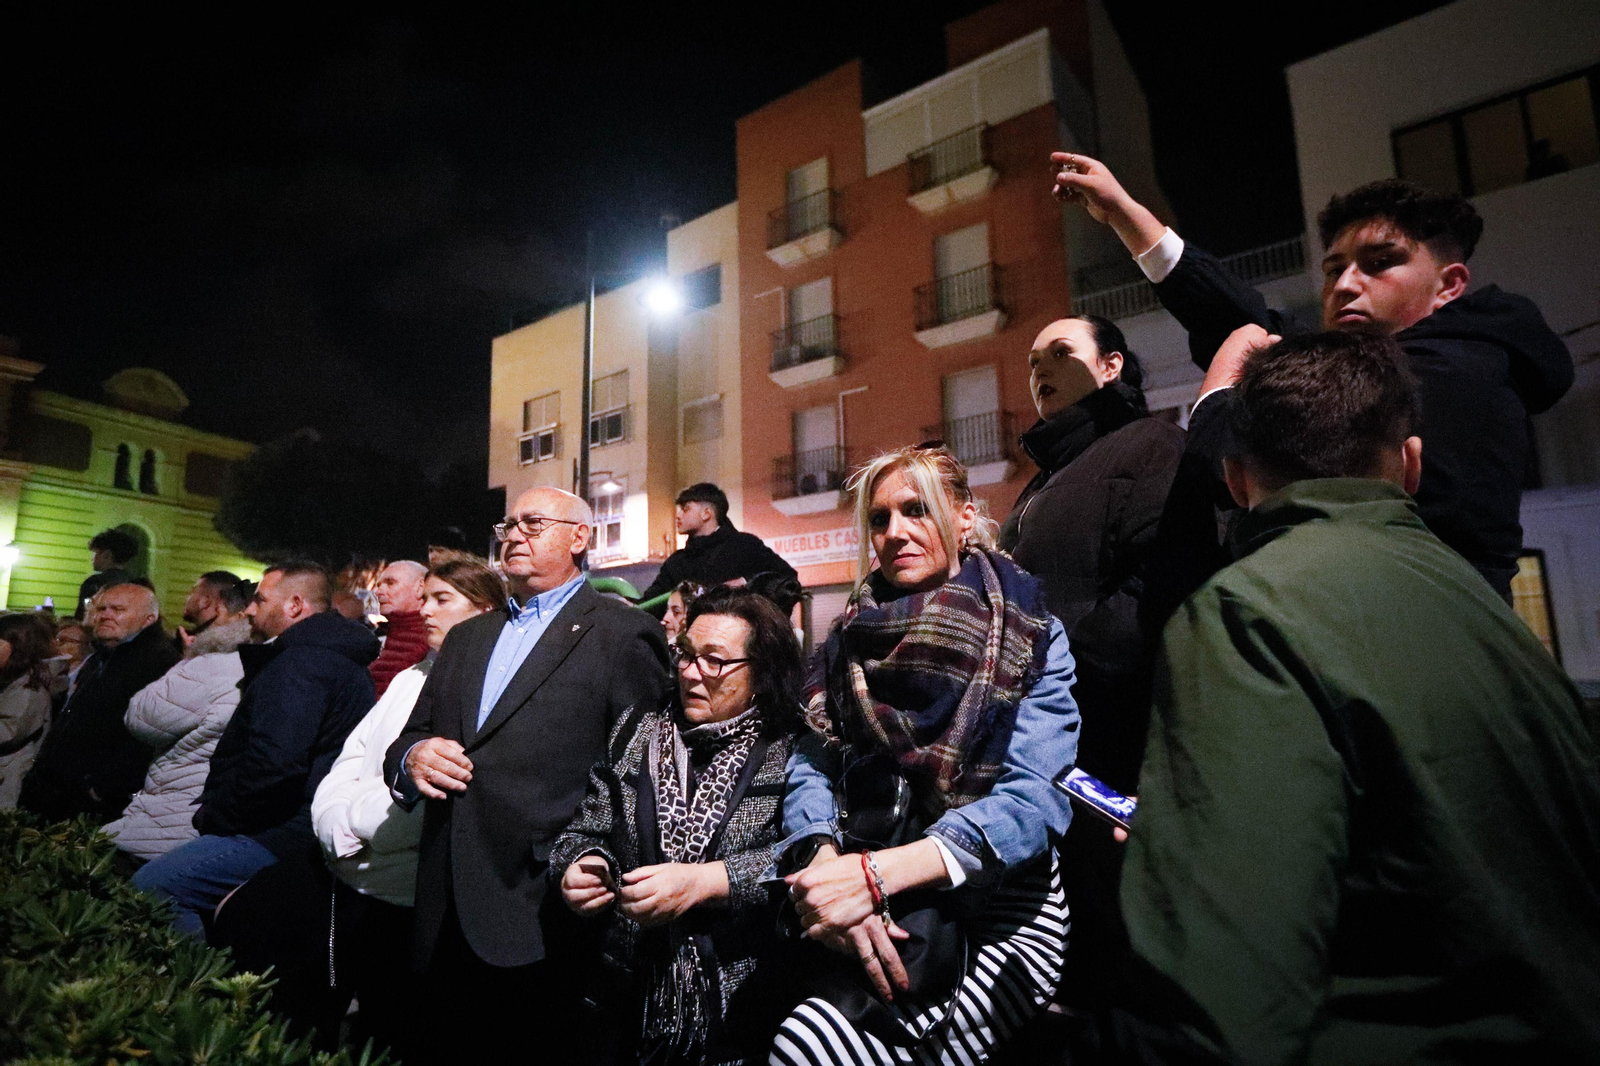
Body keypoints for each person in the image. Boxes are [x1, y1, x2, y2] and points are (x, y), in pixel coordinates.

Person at [1110, 332, 1600, 1064]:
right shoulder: (1484, 605)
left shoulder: (1246, 612)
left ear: (1238, 479)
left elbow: (1216, 996)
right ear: (1409, 464)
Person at [1052, 154, 1574, 599]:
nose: (1346, 284)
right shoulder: (1387, 359)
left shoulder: (1460, 370)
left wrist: (1218, 399)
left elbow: (1247, 487)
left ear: (1449, 284)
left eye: (1379, 263)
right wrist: (1130, 216)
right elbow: (1250, 322)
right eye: (1333, 269)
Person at [776, 444, 1080, 1066]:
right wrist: (826, 862)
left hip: (999, 902)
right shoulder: (847, 640)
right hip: (866, 882)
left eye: (917, 510)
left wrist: (873, 880)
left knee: (807, 1049)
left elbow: (1033, 800)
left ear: (965, 517)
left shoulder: (1030, 633)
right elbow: (811, 765)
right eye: (880, 519)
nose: (896, 533)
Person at [383, 487, 670, 1062]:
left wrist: (599, 862)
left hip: (543, 905)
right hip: (442, 902)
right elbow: (408, 739)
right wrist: (412, 760)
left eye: (534, 522)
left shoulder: (620, 633)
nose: (513, 533)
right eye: (509, 523)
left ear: (579, 538)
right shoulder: (468, 638)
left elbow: (639, 770)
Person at [211, 556, 504, 1057]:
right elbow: (351, 759)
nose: (425, 610)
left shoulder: (484, 688)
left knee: (380, 1031)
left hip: (391, 887)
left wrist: (355, 825)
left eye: (442, 599)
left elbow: (430, 798)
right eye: (425, 596)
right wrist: (335, 822)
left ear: (486, 610)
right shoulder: (413, 675)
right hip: (346, 864)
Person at [996, 313, 1189, 1010]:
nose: (1039, 367)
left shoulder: (1154, 444)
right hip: (1050, 749)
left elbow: (1159, 593)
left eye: (1060, 352)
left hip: (1112, 750)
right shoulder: (1046, 477)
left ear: (1111, 367)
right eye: (1031, 358)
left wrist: (1055, 674)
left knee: (1119, 958)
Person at [553, 585, 803, 1065]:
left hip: (747, 997)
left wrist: (710, 882)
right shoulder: (638, 727)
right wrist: (582, 865)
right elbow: (587, 828)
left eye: (715, 661)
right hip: (627, 996)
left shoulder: (792, 744)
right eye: (685, 654)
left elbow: (807, 855)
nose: (691, 673)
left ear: (763, 671)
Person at [132, 561, 378, 937]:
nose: (248, 609)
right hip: (291, 826)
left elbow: (275, 763)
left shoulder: (302, 663)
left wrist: (221, 818)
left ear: (295, 605)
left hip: (278, 830)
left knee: (155, 887)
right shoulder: (324, 657)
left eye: (260, 600)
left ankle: (196, 989)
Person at [105, 580, 255, 863]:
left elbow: (142, 717)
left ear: (216, 606)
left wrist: (191, 660)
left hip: (168, 820)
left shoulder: (215, 662)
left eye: (192, 592)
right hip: (207, 822)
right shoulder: (263, 664)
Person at [19, 583, 179, 822]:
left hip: (87, 804)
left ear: (148, 619)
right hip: (60, 792)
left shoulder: (158, 662)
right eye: (102, 608)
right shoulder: (105, 655)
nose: (105, 615)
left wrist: (102, 788)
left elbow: (148, 733)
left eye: (118, 609)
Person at [637, 484, 797, 613]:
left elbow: (787, 580)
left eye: (685, 509)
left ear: (706, 514)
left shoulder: (745, 546)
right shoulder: (677, 562)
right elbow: (651, 603)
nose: (678, 515)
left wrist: (746, 582)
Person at [0, 614, 61, 808]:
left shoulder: (28, 689)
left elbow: (8, 732)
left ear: (19, 647)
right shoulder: (11, 681)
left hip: (7, 784)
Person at [368, 560, 430, 697]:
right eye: (379, 585)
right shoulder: (379, 636)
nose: (379, 591)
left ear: (420, 587)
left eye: (390, 583)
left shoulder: (431, 639)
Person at [75, 528, 139, 619]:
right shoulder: (137, 583)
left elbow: (84, 613)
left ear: (106, 555)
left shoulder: (94, 582)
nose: (92, 558)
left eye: (95, 553)